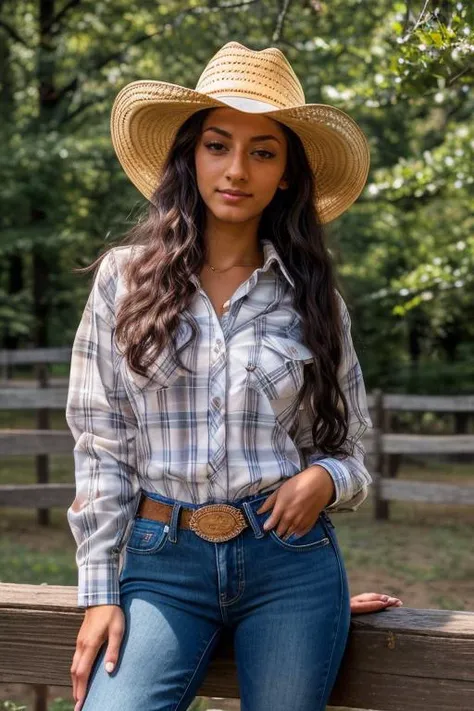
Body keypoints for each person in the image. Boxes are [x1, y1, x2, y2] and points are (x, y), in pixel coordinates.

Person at [66, 41, 402, 711]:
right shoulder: (122, 282)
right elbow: (101, 446)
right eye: (218, 144)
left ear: (287, 175)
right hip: (161, 567)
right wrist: (100, 593)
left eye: (264, 151)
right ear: (191, 155)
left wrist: (324, 478)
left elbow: (351, 452)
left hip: (290, 569)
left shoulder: (312, 298)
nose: (237, 169)